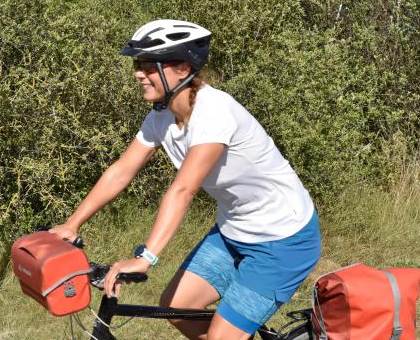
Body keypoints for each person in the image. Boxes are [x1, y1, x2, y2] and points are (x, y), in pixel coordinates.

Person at [50, 20, 321, 340]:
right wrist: (72, 224)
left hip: (283, 241)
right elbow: (121, 171)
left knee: (222, 336)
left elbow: (183, 189)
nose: (139, 73)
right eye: (138, 64)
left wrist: (146, 258)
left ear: (181, 69)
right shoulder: (160, 117)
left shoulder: (215, 112)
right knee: (177, 306)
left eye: (149, 65)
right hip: (233, 230)